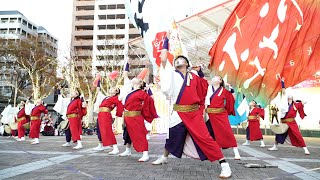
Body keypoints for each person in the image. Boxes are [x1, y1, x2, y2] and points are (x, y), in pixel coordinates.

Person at [152, 36, 231, 178]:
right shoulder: (171, 73)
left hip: (194, 114)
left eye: (182, 59)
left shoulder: (193, 75)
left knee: (205, 138)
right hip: (178, 113)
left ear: (187, 64)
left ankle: (224, 164)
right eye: (177, 59)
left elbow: (203, 87)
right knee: (173, 137)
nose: (179, 60)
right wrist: (165, 43)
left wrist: (200, 72)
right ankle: (164, 157)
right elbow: (164, 59)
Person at [118, 70, 158, 162]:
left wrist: (148, 91)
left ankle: (145, 154)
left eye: (138, 78)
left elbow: (150, 101)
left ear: (141, 83)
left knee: (140, 134)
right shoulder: (129, 91)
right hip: (127, 116)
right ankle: (128, 150)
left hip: (135, 117)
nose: (136, 78)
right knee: (127, 134)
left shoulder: (142, 93)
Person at [268, 79, 310, 155]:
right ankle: (275, 146)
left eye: (291, 95)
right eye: (288, 95)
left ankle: (305, 148)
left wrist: (297, 100)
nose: (289, 95)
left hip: (291, 122)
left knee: (297, 135)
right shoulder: (284, 104)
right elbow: (284, 91)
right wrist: (282, 82)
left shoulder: (296, 104)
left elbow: (305, 102)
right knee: (279, 133)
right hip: (284, 121)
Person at [205, 76, 241, 160]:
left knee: (227, 132)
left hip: (221, 115)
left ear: (220, 81)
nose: (214, 79)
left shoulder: (224, 91)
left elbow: (232, 99)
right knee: (208, 133)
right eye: (214, 78)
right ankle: (209, 153)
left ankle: (236, 152)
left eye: (217, 78)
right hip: (210, 115)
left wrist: (231, 89)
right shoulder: (208, 89)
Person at [96, 86, 123, 154]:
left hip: (105, 115)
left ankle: (115, 148)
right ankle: (101, 145)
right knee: (99, 130)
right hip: (100, 114)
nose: (111, 88)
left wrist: (118, 116)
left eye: (114, 88)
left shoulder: (117, 98)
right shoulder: (106, 97)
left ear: (117, 92)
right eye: (111, 88)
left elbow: (120, 107)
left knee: (107, 131)